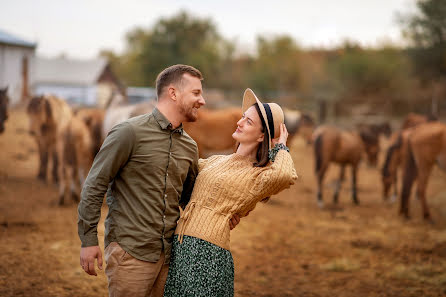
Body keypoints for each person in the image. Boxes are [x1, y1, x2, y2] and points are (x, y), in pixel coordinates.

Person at [77, 64, 240, 297]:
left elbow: (190, 197)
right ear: (173, 93)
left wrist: (220, 214)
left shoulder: (189, 146)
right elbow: (95, 185)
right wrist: (88, 240)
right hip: (130, 255)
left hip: (171, 259)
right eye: (196, 93)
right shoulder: (128, 133)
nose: (202, 101)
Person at [163, 88, 298, 297]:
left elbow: (284, 175)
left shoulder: (256, 175)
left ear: (262, 135)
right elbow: (182, 177)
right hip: (181, 249)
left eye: (249, 122)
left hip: (208, 255)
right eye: (243, 117)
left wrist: (280, 147)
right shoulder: (216, 161)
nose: (239, 122)